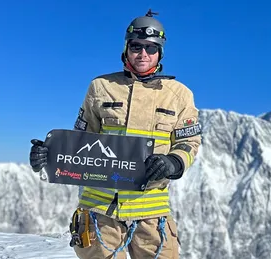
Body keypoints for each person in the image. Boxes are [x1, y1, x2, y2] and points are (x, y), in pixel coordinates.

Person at [29, 9, 202, 259]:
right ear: (126, 47)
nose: (143, 54)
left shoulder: (179, 95)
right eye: (136, 46)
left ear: (160, 52)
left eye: (151, 48)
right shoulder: (101, 87)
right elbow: (81, 141)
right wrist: (49, 155)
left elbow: (189, 142)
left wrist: (173, 162)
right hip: (99, 212)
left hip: (152, 216)